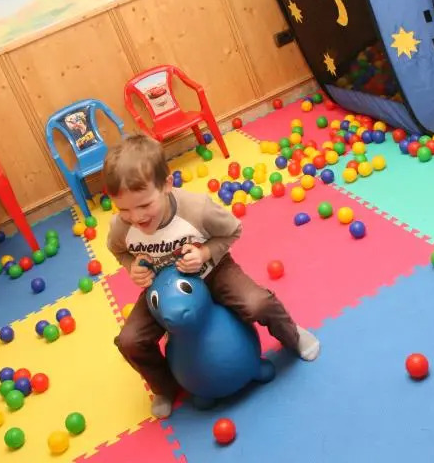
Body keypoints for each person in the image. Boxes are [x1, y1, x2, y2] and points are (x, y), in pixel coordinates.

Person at [105, 133, 320, 418]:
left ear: (167, 184)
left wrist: (205, 252)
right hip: (165, 290)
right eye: (124, 210)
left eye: (144, 205)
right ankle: (164, 386)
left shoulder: (197, 208)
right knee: (129, 340)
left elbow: (233, 231)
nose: (136, 217)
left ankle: (292, 335)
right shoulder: (121, 227)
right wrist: (132, 265)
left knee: (258, 303)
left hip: (213, 271)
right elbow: (118, 250)